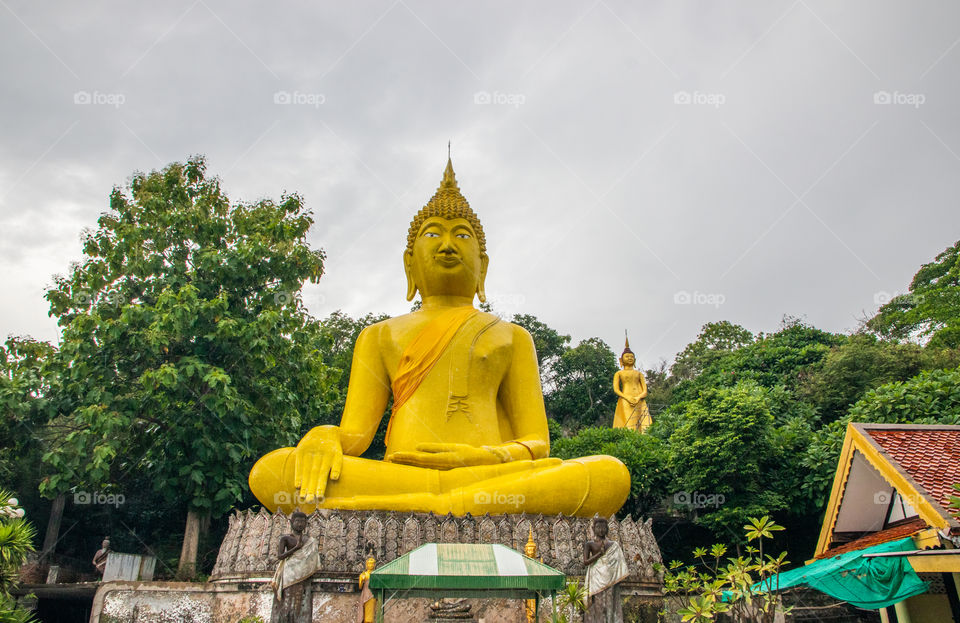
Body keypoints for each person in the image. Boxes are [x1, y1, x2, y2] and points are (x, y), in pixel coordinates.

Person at [249, 157, 630, 518]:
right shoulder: (378, 335)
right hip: (402, 474)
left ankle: (420, 506)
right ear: (408, 264)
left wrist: (477, 458)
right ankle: (454, 503)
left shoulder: (513, 337)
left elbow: (537, 443)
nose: (447, 245)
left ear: (483, 267)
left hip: (488, 474)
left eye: (461, 236)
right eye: (433, 234)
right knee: (274, 471)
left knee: (608, 474)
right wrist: (323, 438)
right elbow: (355, 437)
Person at [271, 511, 317, 623]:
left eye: (303, 521)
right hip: (289, 574)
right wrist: (296, 548)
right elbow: (280, 556)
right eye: (297, 521)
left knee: (301, 601)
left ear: (306, 523)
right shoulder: (286, 538)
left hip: (303, 573)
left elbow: (313, 558)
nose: (300, 524)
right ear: (291, 522)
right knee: (286, 601)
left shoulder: (309, 540)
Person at [584, 518, 628, 623]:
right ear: (593, 529)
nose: (601, 530)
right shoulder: (589, 544)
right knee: (598, 604)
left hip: (610, 578)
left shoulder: (613, 545)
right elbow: (585, 562)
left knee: (610, 604)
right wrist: (600, 554)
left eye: (603, 527)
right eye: (598, 527)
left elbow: (619, 562)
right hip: (597, 578)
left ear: (607, 529)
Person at [612, 337, 651, 432]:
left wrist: (638, 398)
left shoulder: (639, 374)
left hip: (640, 400)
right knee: (629, 425)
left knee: (646, 425)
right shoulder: (619, 373)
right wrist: (627, 397)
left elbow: (645, 391)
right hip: (626, 399)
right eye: (627, 356)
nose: (630, 358)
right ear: (621, 360)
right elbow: (616, 390)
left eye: (631, 357)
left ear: (635, 359)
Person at [357, 556, 376, 623]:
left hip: (372, 595)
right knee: (363, 613)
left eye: (372, 564)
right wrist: (362, 579)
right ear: (366, 565)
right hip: (366, 594)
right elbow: (360, 586)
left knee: (370, 616)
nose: (370, 565)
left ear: (374, 565)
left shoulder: (376, 574)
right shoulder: (364, 574)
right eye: (369, 564)